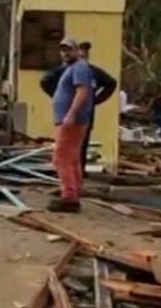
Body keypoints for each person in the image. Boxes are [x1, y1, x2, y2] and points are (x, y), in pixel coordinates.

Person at [40, 41, 117, 176]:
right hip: (66, 116)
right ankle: (71, 180)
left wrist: (96, 100)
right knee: (65, 151)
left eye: (84, 55)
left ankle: (75, 179)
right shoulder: (63, 71)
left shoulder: (92, 71)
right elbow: (45, 81)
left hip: (83, 115)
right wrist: (58, 97)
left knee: (79, 147)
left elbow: (110, 83)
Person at [47, 38, 94, 213]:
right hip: (72, 120)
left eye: (69, 50)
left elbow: (82, 92)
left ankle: (69, 197)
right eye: (63, 50)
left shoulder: (79, 67)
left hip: (71, 121)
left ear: (77, 51)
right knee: (72, 159)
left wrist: (71, 114)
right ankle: (74, 191)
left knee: (61, 158)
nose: (66, 53)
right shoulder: (72, 68)